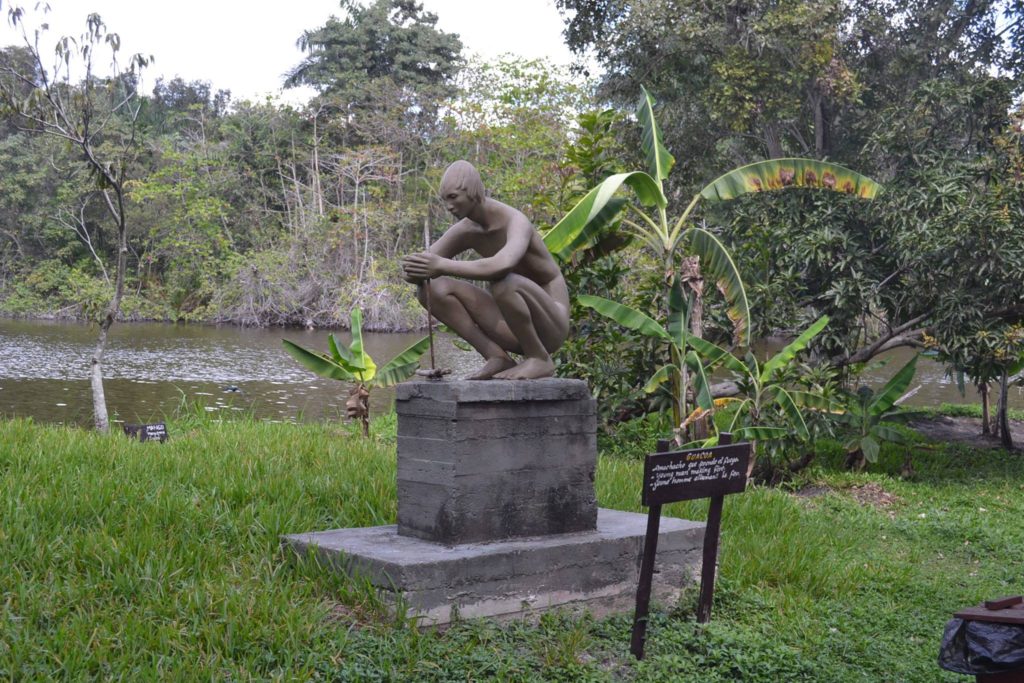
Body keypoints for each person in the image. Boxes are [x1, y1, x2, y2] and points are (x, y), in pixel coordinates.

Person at [401, 160, 570, 380]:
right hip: (512, 326)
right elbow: (416, 269)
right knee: (432, 288)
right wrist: (416, 269)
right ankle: (496, 357)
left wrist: (441, 265)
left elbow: (502, 265)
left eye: (453, 197)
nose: (449, 207)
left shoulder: (515, 221)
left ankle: (539, 359)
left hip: (550, 326)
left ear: (472, 192)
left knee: (504, 282)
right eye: (445, 201)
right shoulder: (466, 230)